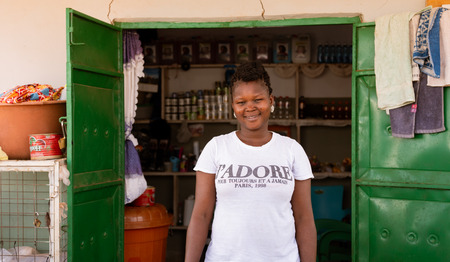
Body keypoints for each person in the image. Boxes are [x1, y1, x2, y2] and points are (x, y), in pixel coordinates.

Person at [185, 61, 317, 262]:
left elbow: (304, 218)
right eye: (241, 102)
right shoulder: (216, 147)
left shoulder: (292, 150)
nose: (250, 107)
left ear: (271, 101)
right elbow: (201, 215)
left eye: (258, 99)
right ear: (233, 106)